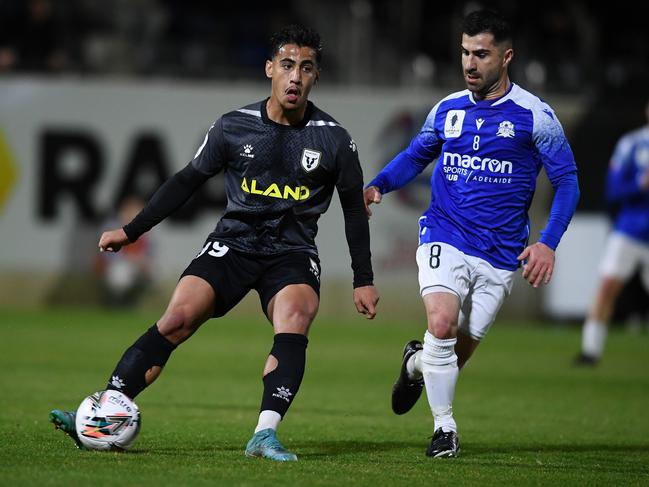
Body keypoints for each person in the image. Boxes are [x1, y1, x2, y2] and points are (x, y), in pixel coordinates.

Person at [49, 24, 379, 461]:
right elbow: (185, 181)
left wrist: (363, 278)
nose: (295, 76)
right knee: (177, 317)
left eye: (305, 67)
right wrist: (131, 231)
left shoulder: (335, 140)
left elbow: (354, 210)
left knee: (295, 316)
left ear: (316, 76)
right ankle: (99, 413)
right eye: (286, 66)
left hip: (291, 253)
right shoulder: (233, 126)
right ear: (269, 70)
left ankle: (264, 434)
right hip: (234, 243)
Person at [364, 10, 579, 458]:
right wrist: (379, 183)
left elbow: (568, 182)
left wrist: (547, 241)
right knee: (440, 323)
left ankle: (415, 363)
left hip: (501, 254)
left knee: (451, 356)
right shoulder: (447, 109)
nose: (469, 63)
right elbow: (414, 155)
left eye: (481, 54)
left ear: (507, 56)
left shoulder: (535, 116)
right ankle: (445, 429)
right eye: (465, 52)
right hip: (445, 232)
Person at [575, 102, 649, 365]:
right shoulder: (632, 144)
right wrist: (640, 184)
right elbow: (613, 190)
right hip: (629, 231)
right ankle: (590, 351)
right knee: (607, 287)